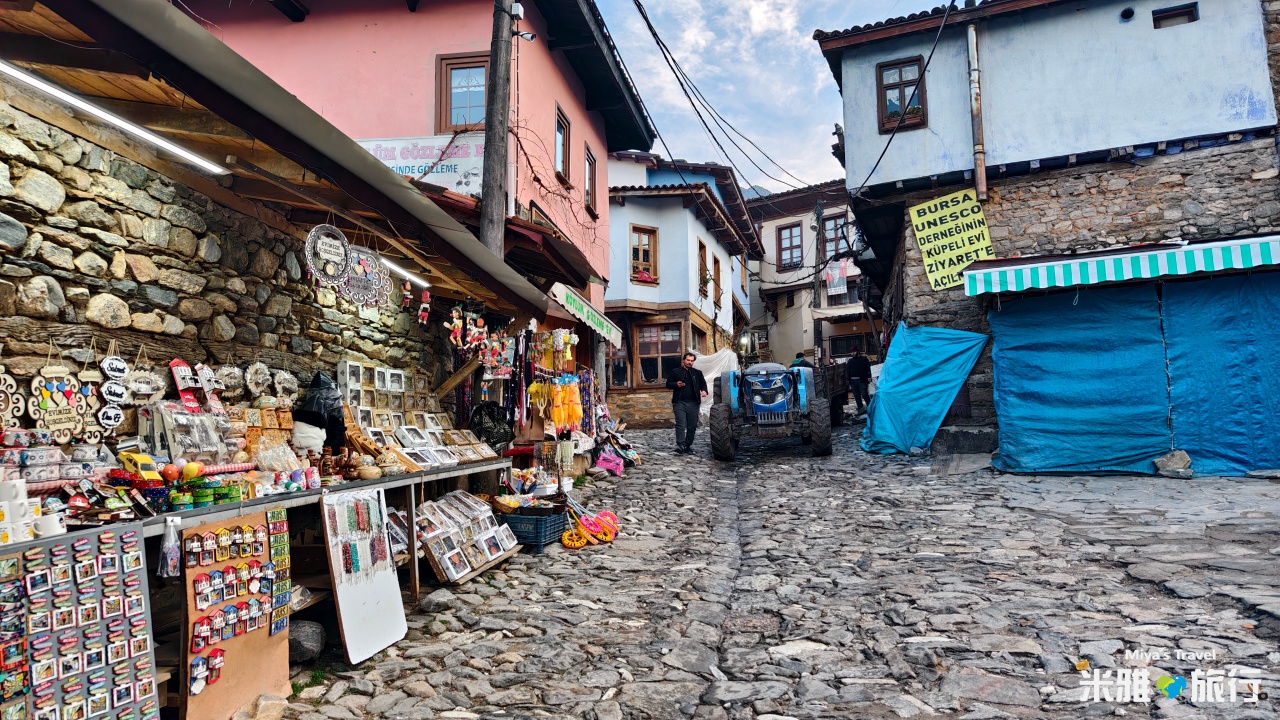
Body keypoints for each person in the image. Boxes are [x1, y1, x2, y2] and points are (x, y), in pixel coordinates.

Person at [666, 352, 707, 454]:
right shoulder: (675, 372)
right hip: (679, 402)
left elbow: (703, 383)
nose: (690, 362)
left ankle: (687, 445)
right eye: (688, 360)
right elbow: (668, 384)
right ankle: (681, 444)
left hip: (693, 403)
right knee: (680, 424)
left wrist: (704, 390)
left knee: (692, 426)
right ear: (683, 360)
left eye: (692, 361)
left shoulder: (697, 373)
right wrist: (676, 384)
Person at [846, 347, 872, 414]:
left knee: (864, 394)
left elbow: (868, 368)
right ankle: (861, 409)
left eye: (854, 352)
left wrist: (869, 376)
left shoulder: (863, 359)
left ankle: (870, 408)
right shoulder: (850, 361)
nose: (853, 353)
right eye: (851, 352)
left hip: (862, 380)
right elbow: (847, 371)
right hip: (853, 381)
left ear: (857, 351)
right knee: (857, 396)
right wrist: (848, 380)